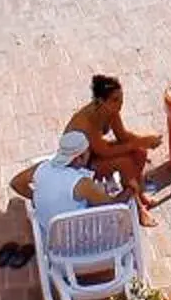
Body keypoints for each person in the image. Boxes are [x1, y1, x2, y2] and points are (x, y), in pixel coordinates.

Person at [58, 74, 159, 216]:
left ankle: (140, 193)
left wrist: (144, 141)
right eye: (115, 100)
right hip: (79, 163)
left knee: (140, 152)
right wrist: (141, 141)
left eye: (121, 99)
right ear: (101, 101)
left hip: (93, 153)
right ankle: (137, 206)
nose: (120, 103)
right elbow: (104, 151)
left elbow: (122, 135)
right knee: (124, 163)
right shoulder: (87, 121)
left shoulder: (111, 110)